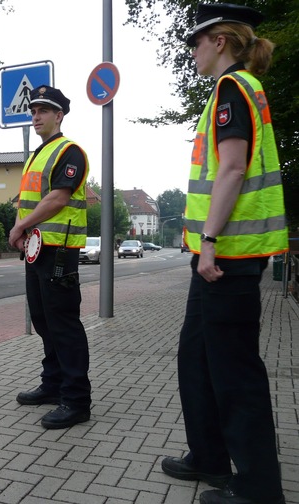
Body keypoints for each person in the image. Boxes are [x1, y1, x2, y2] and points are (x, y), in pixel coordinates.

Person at [160, 5, 288, 504]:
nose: (191, 53)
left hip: (227, 256)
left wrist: (209, 242)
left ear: (218, 40)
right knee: (196, 359)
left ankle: (258, 489)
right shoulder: (231, 90)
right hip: (214, 257)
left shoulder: (234, 88)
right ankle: (209, 456)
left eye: (194, 43)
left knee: (235, 371)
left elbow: (232, 169)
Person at [8, 85, 91, 430]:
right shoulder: (37, 155)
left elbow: (57, 199)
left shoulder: (70, 151)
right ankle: (53, 383)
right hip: (36, 249)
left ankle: (76, 400)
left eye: (43, 110)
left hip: (59, 250)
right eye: (33, 110)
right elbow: (28, 200)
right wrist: (22, 230)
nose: (36, 116)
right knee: (44, 321)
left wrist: (20, 227)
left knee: (64, 324)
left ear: (59, 115)